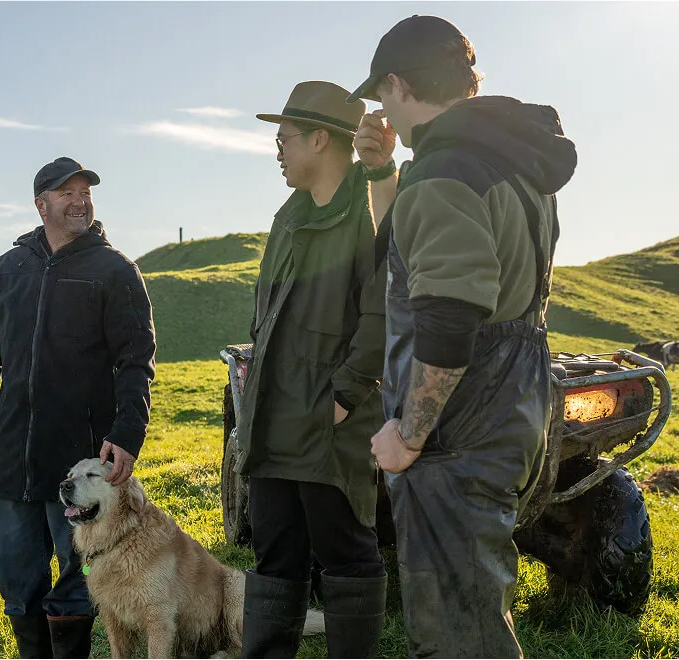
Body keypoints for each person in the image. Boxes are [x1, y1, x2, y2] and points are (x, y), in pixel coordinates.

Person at [349, 14, 577, 658]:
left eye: (380, 95)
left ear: (397, 84)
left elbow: (449, 316)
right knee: (473, 607)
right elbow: (417, 246)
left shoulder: (446, 172)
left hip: (456, 428)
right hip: (510, 401)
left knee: (458, 633)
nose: (379, 108)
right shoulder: (500, 157)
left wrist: (409, 433)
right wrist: (382, 171)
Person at [0, 156, 157, 659]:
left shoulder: (114, 270)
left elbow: (136, 359)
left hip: (82, 460)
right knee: (17, 579)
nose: (80, 201)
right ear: (41, 204)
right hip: (14, 458)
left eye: (85, 192)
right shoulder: (7, 270)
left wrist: (128, 433)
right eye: (67, 193)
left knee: (78, 578)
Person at [235, 80, 397, 658]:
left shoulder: (371, 212)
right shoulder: (289, 215)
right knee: (274, 553)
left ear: (322, 139)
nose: (277, 149)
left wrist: (343, 398)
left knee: (346, 552)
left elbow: (383, 312)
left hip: (328, 423)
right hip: (275, 419)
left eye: (285, 138)